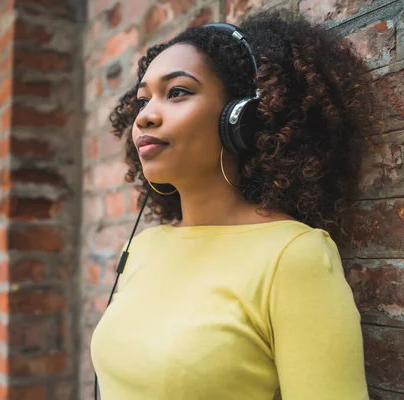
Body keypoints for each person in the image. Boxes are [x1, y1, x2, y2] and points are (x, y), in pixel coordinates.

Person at [90, 9, 377, 400]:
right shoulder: (142, 247)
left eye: (177, 92)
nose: (145, 117)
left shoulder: (293, 256)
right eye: (142, 100)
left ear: (239, 118)